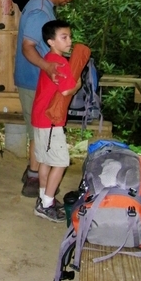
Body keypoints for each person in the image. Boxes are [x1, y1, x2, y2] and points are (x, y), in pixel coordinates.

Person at [14, 0, 85, 198]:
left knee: (39, 131)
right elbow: (28, 46)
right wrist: (47, 67)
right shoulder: (39, 11)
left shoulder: (42, 6)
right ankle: (35, 180)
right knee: (39, 133)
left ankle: (33, 173)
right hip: (33, 80)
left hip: (37, 79)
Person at [32, 19, 81, 222]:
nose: (69, 41)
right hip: (51, 120)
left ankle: (44, 198)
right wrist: (78, 83)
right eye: (64, 37)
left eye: (69, 36)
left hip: (40, 117)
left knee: (45, 161)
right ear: (51, 41)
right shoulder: (60, 62)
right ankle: (47, 204)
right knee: (60, 162)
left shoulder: (49, 58)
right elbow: (68, 89)